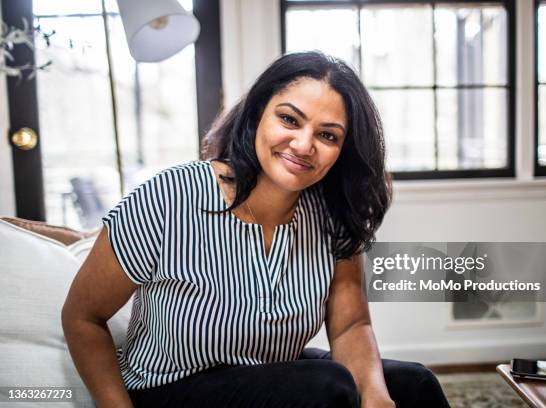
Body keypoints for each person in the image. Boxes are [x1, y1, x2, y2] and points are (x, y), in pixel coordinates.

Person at [62, 51, 450, 408]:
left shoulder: (331, 213)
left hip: (269, 372)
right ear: (257, 115)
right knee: (325, 385)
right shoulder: (169, 195)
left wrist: (376, 397)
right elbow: (82, 316)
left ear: (342, 150)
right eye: (289, 119)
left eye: (327, 135)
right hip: (169, 389)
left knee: (414, 385)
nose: (303, 144)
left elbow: (351, 324)